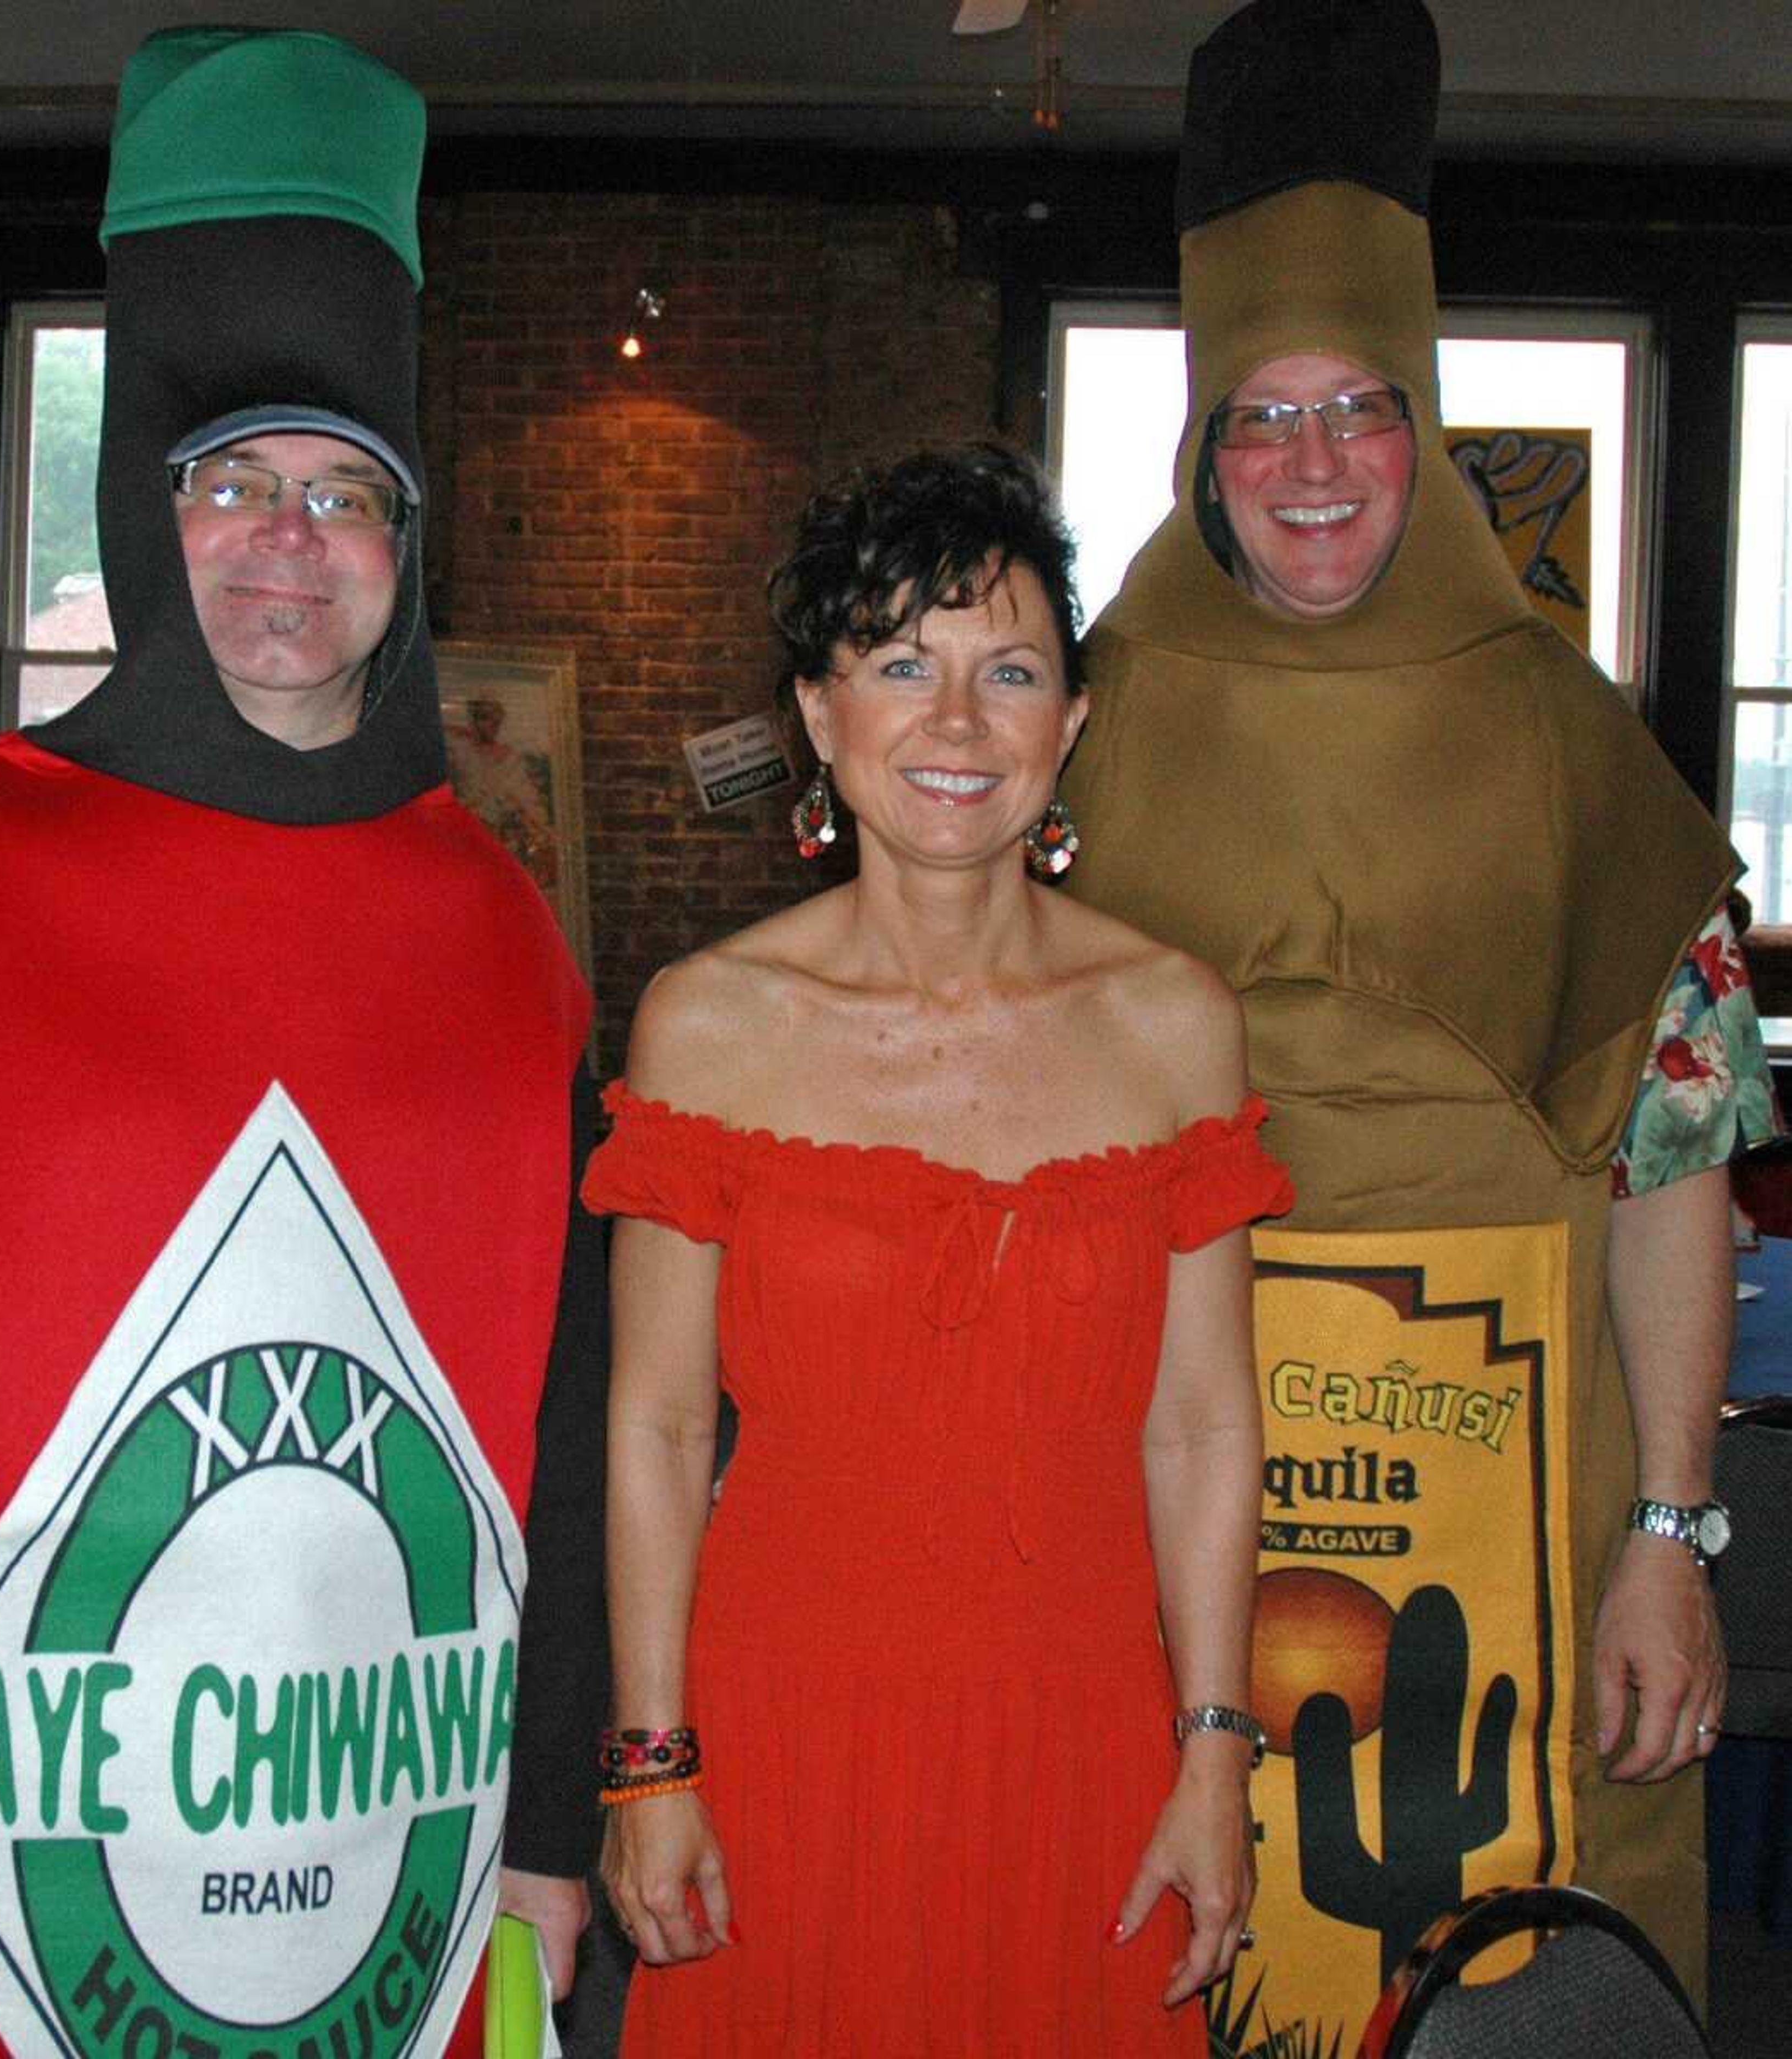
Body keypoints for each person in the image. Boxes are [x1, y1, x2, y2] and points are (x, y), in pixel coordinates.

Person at [0, 29, 606, 2059]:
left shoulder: (509, 934)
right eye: (232, 483)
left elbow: (557, 1426)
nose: (288, 545)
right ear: (145, 508)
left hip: (402, 1859)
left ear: (408, 548)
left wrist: (549, 1799)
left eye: (343, 494)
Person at [1058, 0, 1775, 2043]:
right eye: (1260, 417)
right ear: (1201, 446)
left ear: (1428, 425)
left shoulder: (1578, 746)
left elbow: (1681, 1173)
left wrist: (1670, 1535)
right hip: (1159, 1507)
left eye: (1359, 408)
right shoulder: (1066, 723)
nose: (1311, 468)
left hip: (1534, 1531)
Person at [582, 444, 1294, 2055]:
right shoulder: (710, 1025)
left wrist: (1213, 1752)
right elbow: (660, 1425)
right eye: (902, 664)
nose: (959, 724)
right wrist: (651, 1764)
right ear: (820, 722)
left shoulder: (1177, 1025)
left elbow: (1199, 1427)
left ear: (1073, 723)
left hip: (1089, 1747)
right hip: (781, 1743)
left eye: (1012, 671)